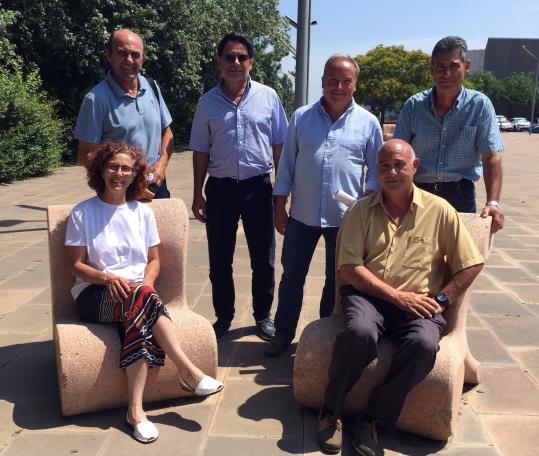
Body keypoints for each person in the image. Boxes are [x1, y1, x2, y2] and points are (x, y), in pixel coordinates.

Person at [316, 139, 484, 455]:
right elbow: (350, 269)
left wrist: (443, 300)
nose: (392, 172)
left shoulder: (440, 211)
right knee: (360, 333)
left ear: (414, 167)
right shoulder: (361, 211)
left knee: (423, 345)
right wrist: (396, 296)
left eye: (399, 165)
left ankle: (372, 419)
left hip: (418, 303)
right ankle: (331, 409)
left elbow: (471, 263)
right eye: (384, 166)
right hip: (369, 296)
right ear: (375, 170)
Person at [65, 143, 223, 444]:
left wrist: (146, 285)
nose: (119, 174)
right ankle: (188, 371)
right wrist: (107, 277)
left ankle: (135, 412)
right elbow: (76, 266)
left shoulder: (142, 213)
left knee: (136, 314)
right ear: (100, 169)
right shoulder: (83, 213)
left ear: (135, 174)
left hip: (137, 296)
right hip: (94, 295)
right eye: (113, 166)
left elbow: (154, 261)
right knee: (139, 300)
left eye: (126, 168)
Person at [264, 54, 383, 357]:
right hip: (301, 216)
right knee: (292, 276)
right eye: (332, 80)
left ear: (355, 85)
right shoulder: (302, 117)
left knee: (337, 281)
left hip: (346, 220)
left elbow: (376, 172)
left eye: (346, 81)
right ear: (322, 81)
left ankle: (323, 335)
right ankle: (283, 332)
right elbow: (286, 166)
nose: (338, 86)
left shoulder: (368, 123)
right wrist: (280, 206)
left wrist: (366, 201)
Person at [189, 32, 288, 341]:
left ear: (251, 63)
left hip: (259, 188)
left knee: (263, 258)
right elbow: (200, 151)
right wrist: (197, 194)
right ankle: (224, 317)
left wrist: (281, 196)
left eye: (242, 57)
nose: (235, 62)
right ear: (219, 62)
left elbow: (279, 146)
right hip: (220, 189)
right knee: (220, 259)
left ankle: (263, 316)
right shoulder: (207, 103)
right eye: (229, 57)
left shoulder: (268, 97)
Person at [393, 35, 504, 233]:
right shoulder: (414, 106)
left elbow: (491, 157)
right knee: (416, 258)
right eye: (440, 67)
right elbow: (397, 155)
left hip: (460, 196)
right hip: (418, 194)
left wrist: (493, 202)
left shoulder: (480, 106)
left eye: (453, 66)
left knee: (459, 261)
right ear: (432, 70)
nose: (446, 74)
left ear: (466, 66)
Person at [75, 29, 173, 199]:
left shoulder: (152, 87)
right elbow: (85, 155)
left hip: (155, 185)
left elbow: (167, 132)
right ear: (109, 55)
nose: (129, 60)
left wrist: (161, 165)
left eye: (135, 55)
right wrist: (127, 186)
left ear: (143, 58)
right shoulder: (95, 99)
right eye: (122, 53)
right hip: (118, 193)